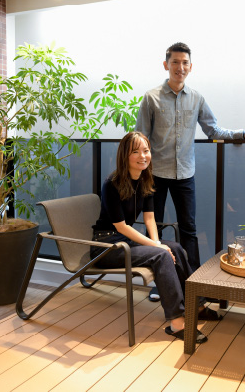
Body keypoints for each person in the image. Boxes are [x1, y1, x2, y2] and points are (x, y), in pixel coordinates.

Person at [135, 42, 245, 301]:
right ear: (166, 65)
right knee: (156, 229)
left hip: (185, 174)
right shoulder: (151, 98)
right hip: (155, 174)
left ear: (190, 67)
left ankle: (193, 283)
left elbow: (213, 130)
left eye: (185, 63)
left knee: (189, 229)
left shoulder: (196, 98)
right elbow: (141, 138)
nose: (180, 67)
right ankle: (160, 283)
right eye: (175, 62)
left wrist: (243, 134)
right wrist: (138, 172)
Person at [91, 131, 221, 343]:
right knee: (161, 255)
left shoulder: (145, 181)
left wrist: (158, 243)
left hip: (126, 242)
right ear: (125, 155)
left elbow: (150, 219)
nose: (143, 156)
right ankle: (177, 322)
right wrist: (157, 247)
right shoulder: (112, 184)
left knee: (175, 248)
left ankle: (196, 306)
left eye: (146, 150)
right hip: (106, 246)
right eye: (136, 152)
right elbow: (121, 227)